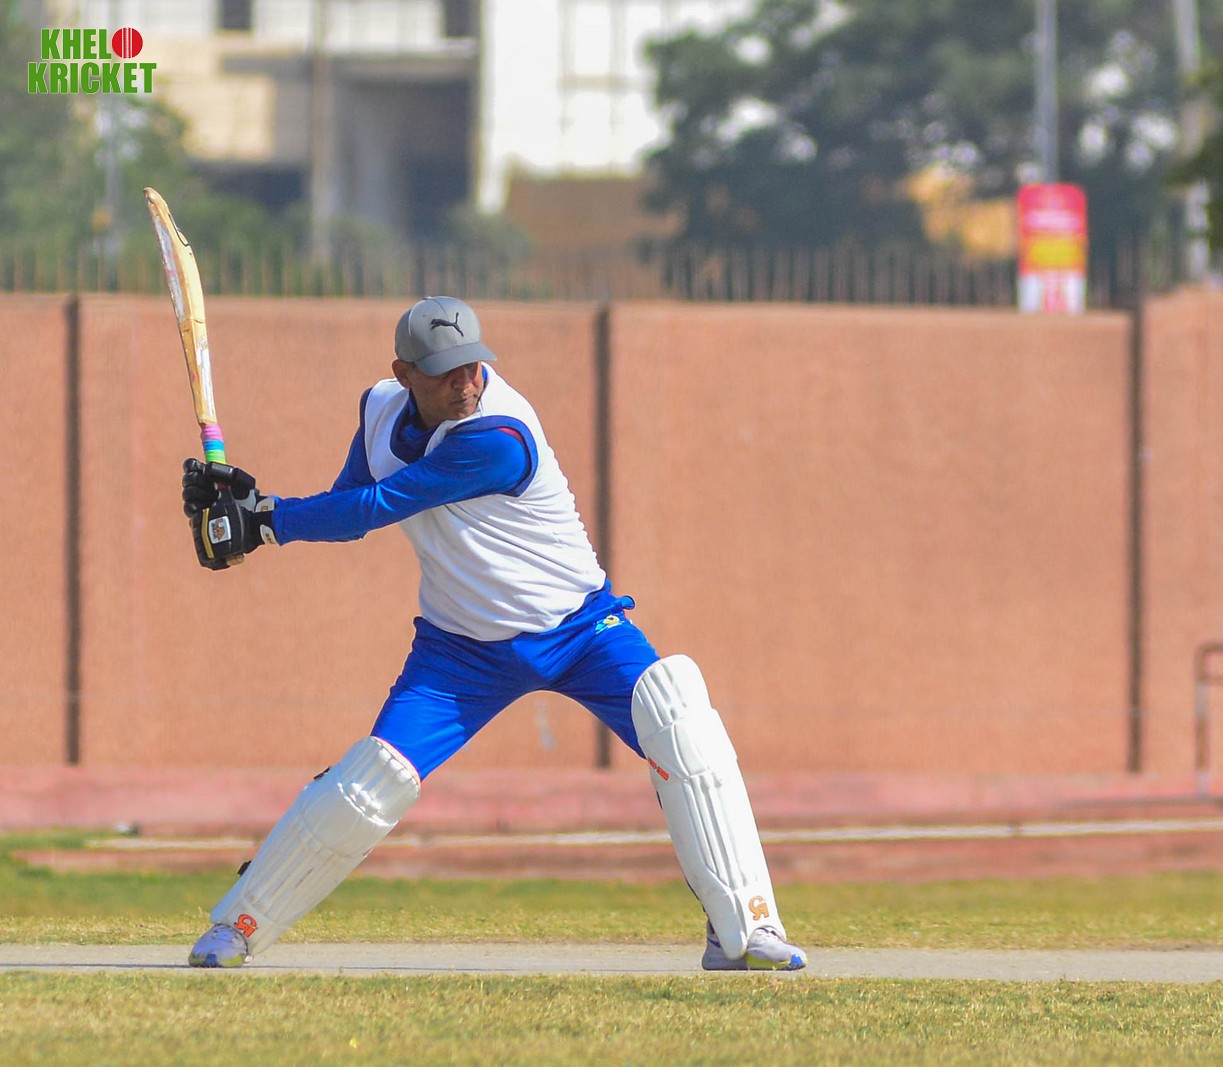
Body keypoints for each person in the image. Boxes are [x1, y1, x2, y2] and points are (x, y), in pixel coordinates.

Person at [180, 296, 806, 972]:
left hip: (581, 631)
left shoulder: (498, 436)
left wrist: (263, 520)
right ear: (404, 372)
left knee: (680, 720)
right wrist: (245, 514)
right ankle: (238, 926)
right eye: (445, 372)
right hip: (459, 651)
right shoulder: (379, 410)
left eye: (473, 366)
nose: (466, 383)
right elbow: (348, 506)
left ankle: (746, 929)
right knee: (373, 779)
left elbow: (381, 505)